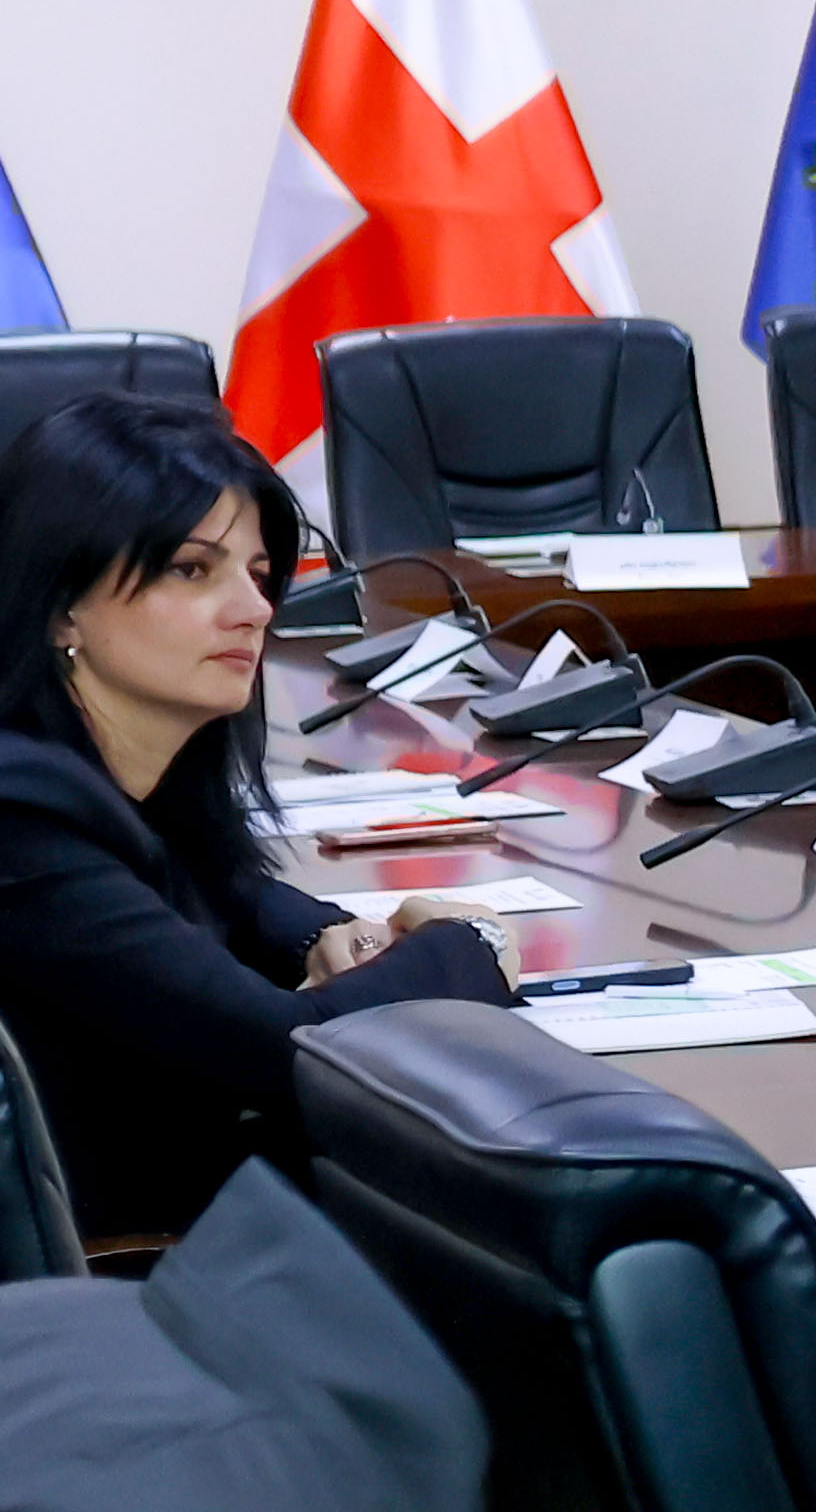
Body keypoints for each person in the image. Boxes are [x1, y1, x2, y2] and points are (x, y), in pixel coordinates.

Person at [0, 397, 516, 1243]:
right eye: (192, 570)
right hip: (117, 1272)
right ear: (62, 604)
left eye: (258, 572)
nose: (255, 609)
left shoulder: (100, 777)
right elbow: (287, 1049)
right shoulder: (21, 818)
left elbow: (212, 884)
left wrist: (323, 933)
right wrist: (473, 945)